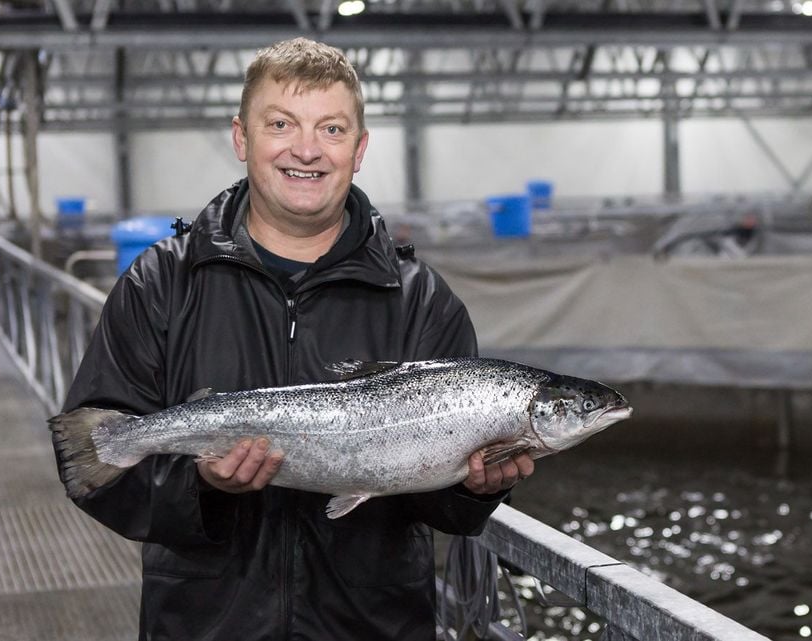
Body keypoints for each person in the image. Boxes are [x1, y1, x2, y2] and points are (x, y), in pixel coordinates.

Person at [56, 37, 534, 641]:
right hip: (205, 625)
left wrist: (475, 487)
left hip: (370, 626)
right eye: (280, 123)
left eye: (332, 129)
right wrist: (203, 486)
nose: (306, 149)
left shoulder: (421, 301)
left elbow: (437, 508)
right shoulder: (161, 284)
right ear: (242, 138)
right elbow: (99, 466)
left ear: (359, 150)